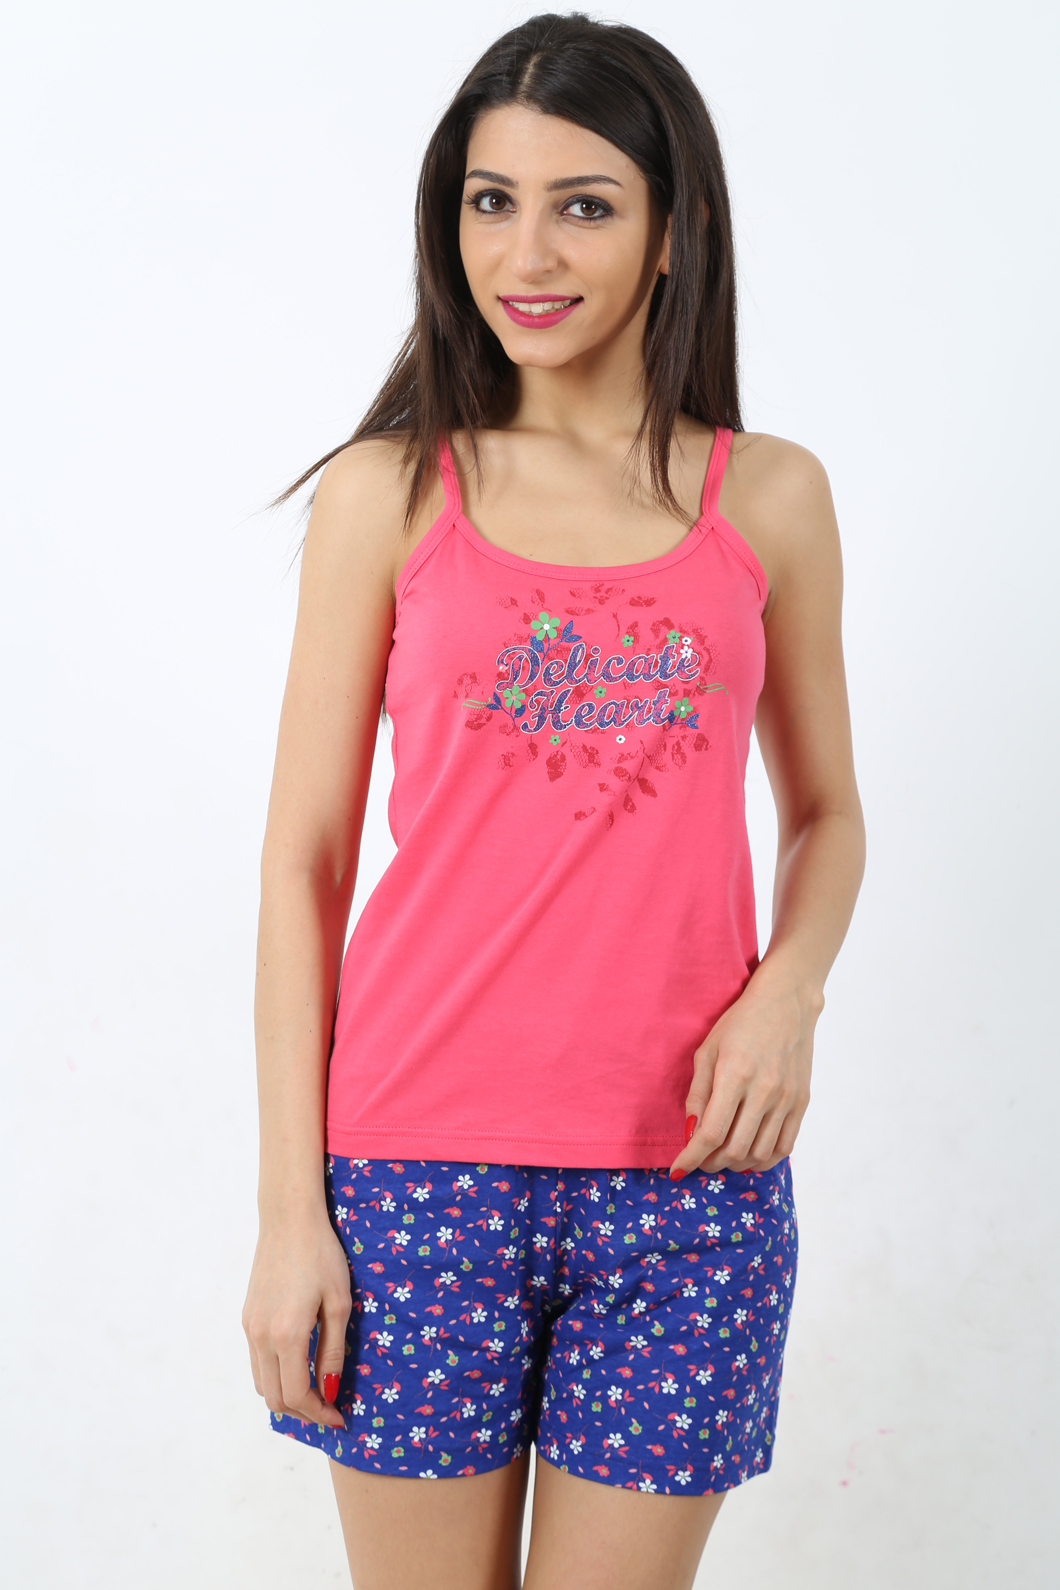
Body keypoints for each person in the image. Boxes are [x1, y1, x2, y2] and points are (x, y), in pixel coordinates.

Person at [241, 12, 865, 1589]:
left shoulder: (769, 496)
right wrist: (290, 1211)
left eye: (583, 204)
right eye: (489, 200)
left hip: (691, 1187)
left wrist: (789, 990)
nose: (526, 252)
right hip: (414, 1179)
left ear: (674, 229)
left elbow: (828, 811)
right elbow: (304, 860)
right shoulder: (390, 493)